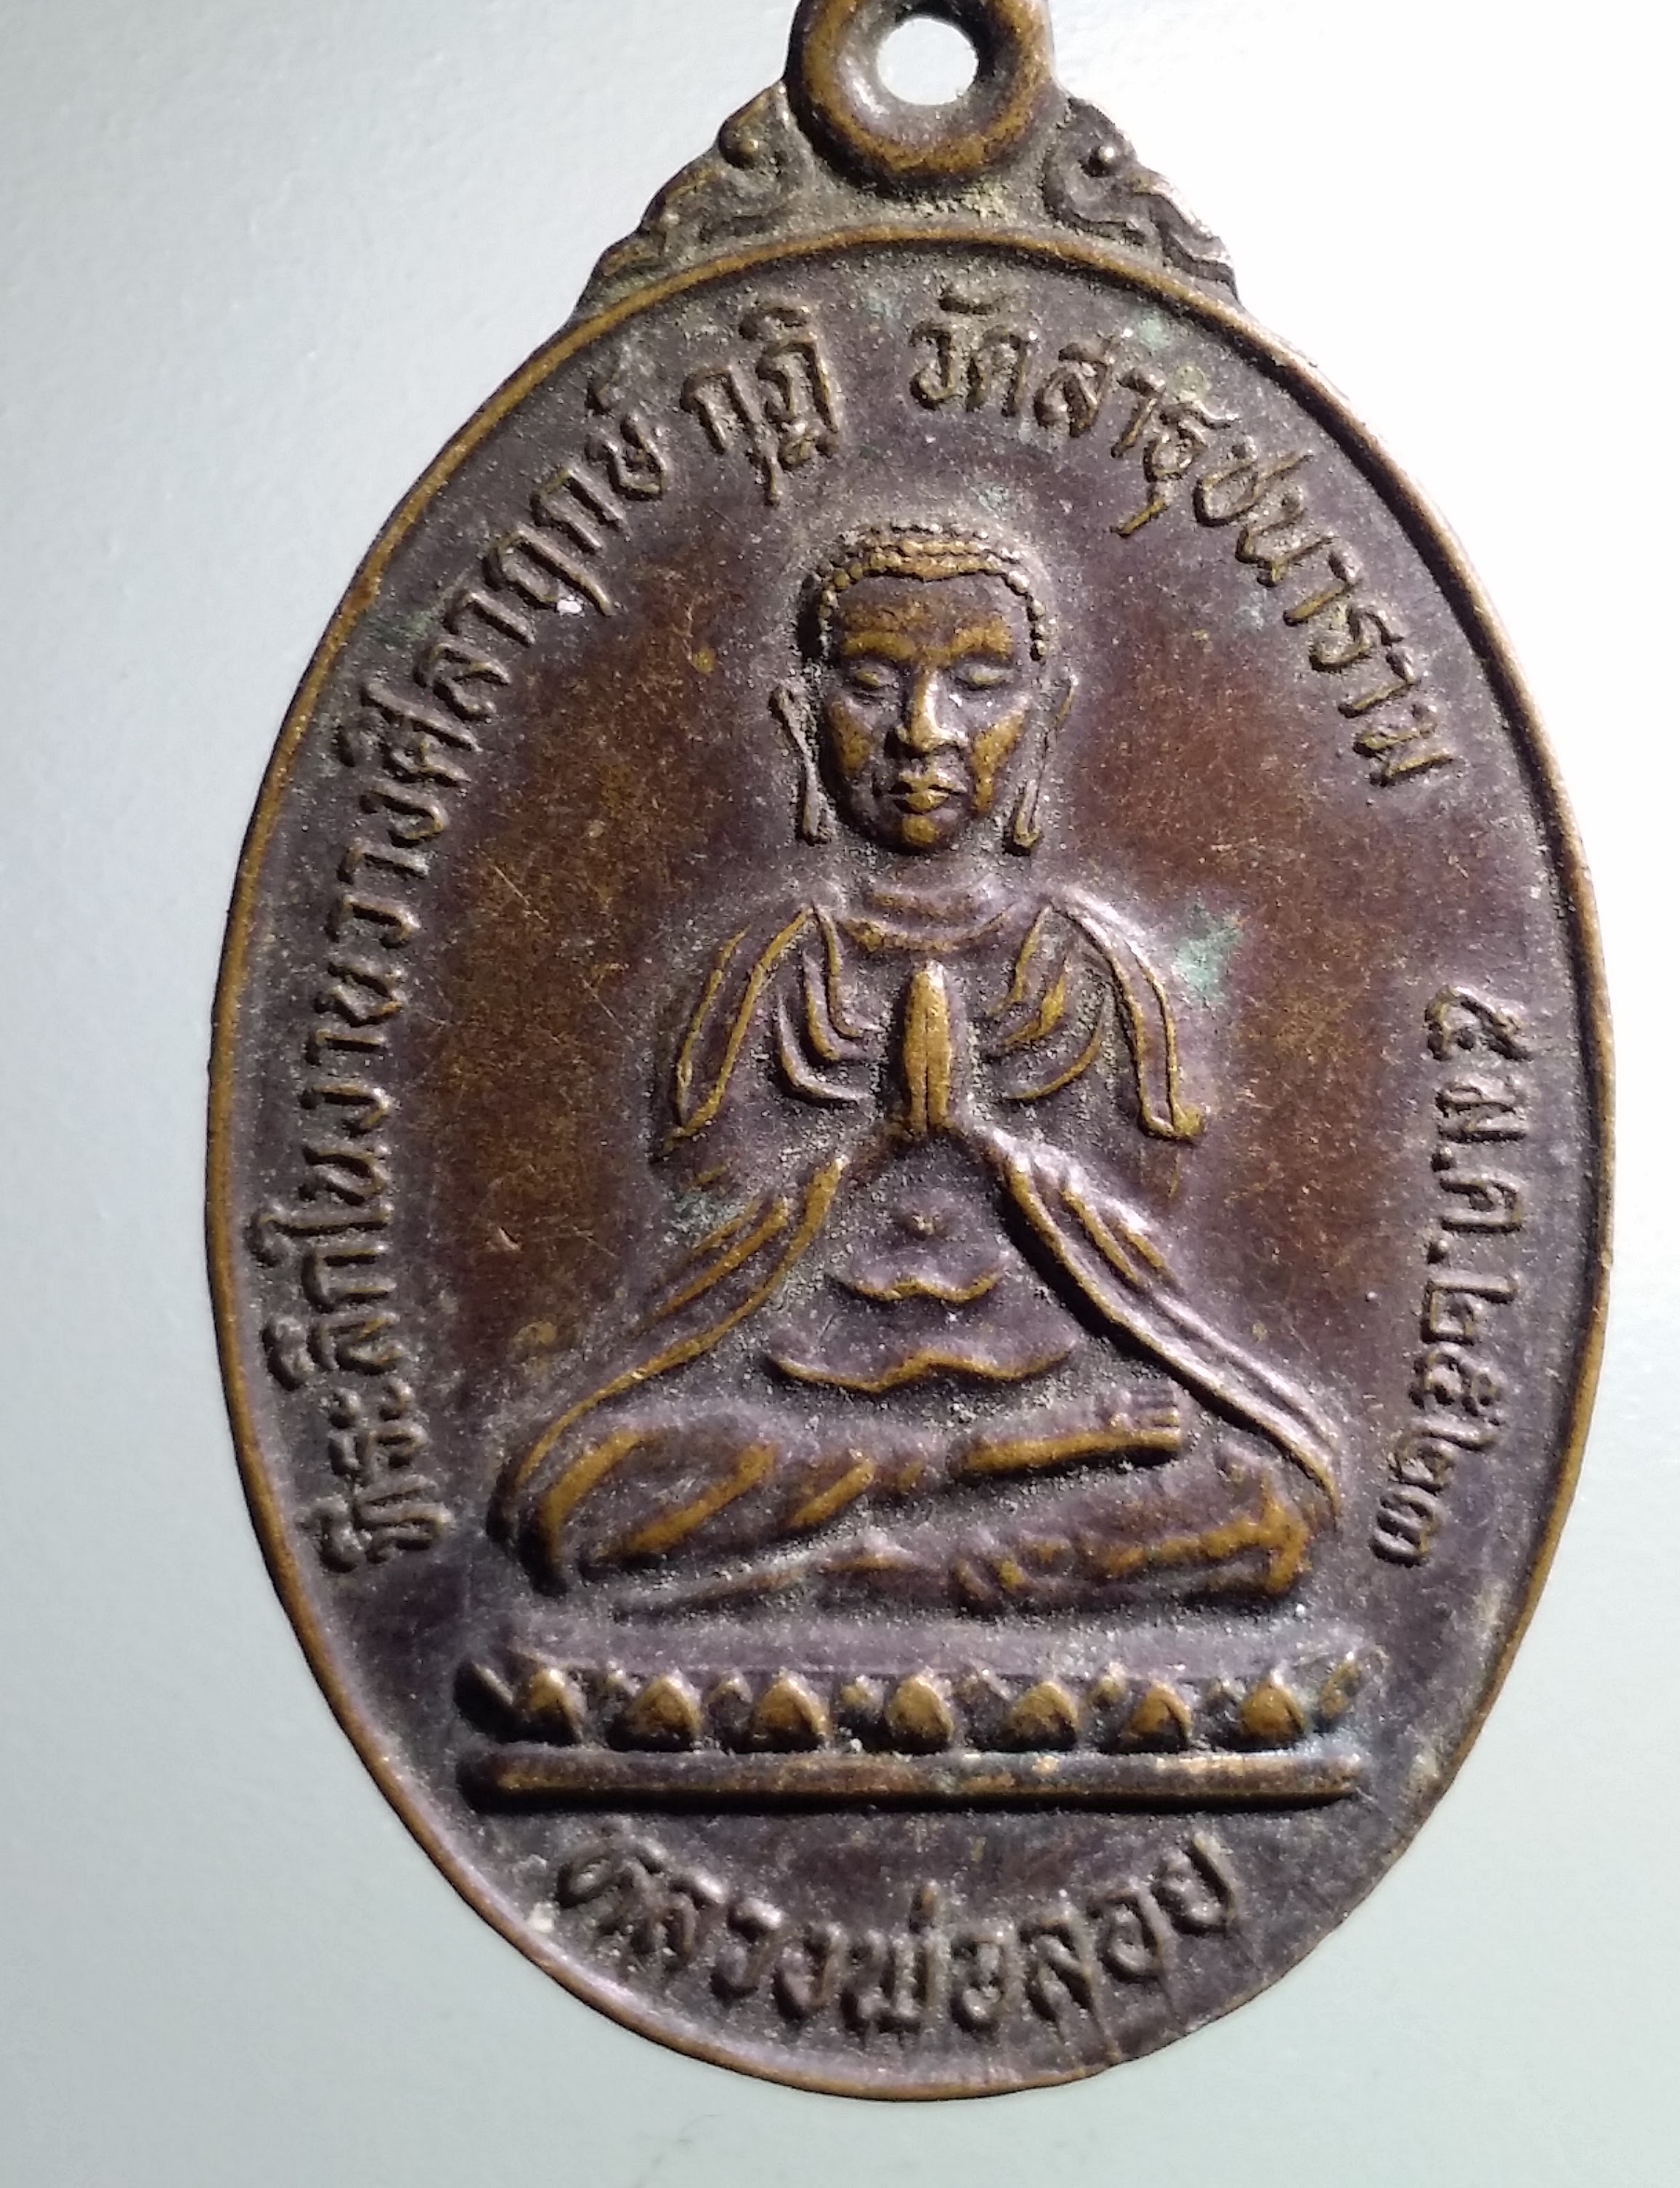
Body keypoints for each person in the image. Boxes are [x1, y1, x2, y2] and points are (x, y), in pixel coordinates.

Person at [494, 522, 1339, 1614]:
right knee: (573, 1498)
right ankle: (962, 1506)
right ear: (802, 717)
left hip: (1068, 1398)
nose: (923, 732)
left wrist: (988, 1152)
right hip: (802, 1412)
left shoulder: (1096, 972)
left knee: (1271, 1502)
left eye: (978, 685)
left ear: (1044, 721)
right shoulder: (764, 971)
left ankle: (864, 1573)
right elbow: (706, 1255)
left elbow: (1143, 1260)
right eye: (871, 685)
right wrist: (872, 1151)